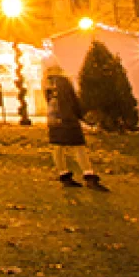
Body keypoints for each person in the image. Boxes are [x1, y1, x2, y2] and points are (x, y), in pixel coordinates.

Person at [44, 59, 108, 191]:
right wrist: (81, 116)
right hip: (67, 119)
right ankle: (89, 175)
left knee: (58, 148)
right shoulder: (63, 82)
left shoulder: (46, 83)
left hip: (53, 121)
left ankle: (64, 175)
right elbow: (71, 100)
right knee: (79, 147)